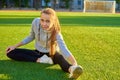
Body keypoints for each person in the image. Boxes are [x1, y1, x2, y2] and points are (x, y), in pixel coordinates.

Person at [6, 8, 83, 79]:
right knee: (10, 52)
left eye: (48, 21)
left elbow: (64, 49)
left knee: (60, 58)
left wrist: (74, 63)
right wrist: (14, 46)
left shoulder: (57, 33)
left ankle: (71, 69)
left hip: (52, 55)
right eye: (42, 20)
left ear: (53, 21)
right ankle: (40, 60)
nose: (44, 24)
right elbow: (30, 37)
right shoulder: (35, 22)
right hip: (38, 53)